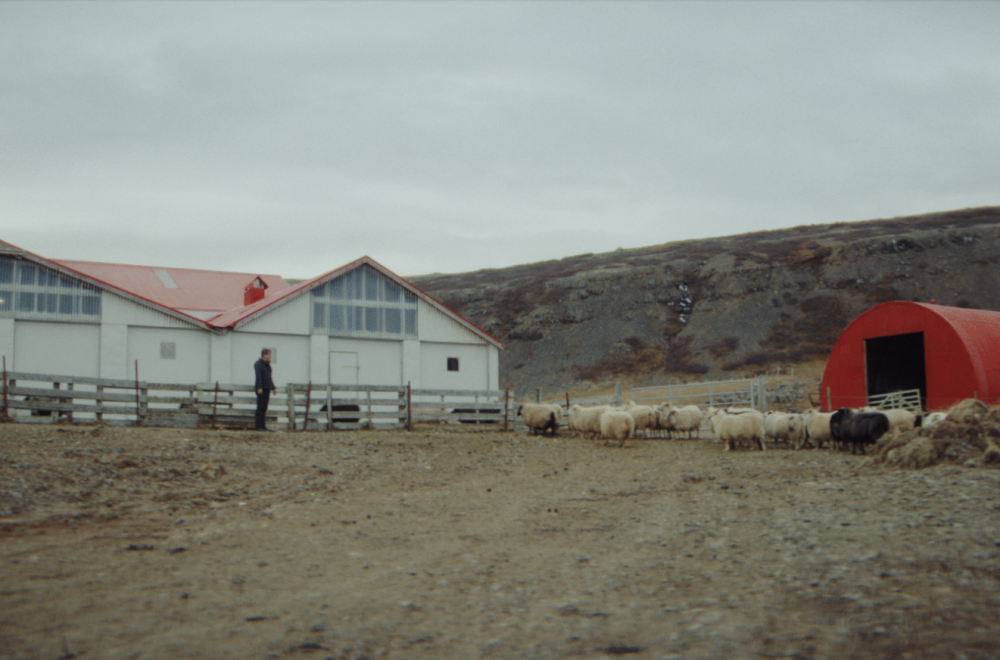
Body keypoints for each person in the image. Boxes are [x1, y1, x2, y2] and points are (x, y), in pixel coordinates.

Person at [254, 348, 277, 431]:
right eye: (269, 354)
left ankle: (263, 426)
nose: (271, 356)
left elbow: (269, 377)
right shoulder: (258, 364)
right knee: (260, 407)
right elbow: (258, 377)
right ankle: (258, 426)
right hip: (261, 389)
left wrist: (273, 387)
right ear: (264, 355)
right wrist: (259, 387)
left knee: (264, 407)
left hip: (267, 388)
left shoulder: (268, 365)